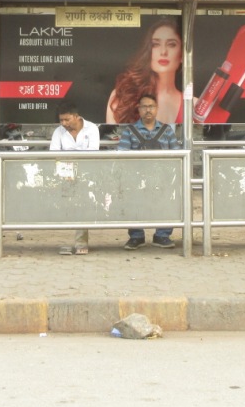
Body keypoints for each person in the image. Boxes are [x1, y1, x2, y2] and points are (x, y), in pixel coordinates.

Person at [116, 93, 182, 249]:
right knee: (134, 204)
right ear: (138, 109)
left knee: (166, 203)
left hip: (163, 178)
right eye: (144, 106)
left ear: (157, 108)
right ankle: (136, 236)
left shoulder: (166, 130)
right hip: (137, 178)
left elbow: (177, 154)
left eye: (151, 106)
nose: (148, 110)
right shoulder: (129, 131)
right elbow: (122, 154)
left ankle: (162, 235)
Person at [106, 18, 184, 126]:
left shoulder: (194, 105)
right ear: (148, 51)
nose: (163, 52)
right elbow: (114, 140)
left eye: (171, 44)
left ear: (182, 55)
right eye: (155, 44)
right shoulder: (122, 96)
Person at [49, 100, 100, 255]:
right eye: (61, 120)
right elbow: (54, 154)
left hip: (87, 175)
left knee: (81, 205)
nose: (63, 123)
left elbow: (93, 154)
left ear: (76, 117)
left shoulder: (92, 129)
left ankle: (81, 242)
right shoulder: (58, 132)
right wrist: (67, 173)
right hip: (64, 176)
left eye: (67, 119)